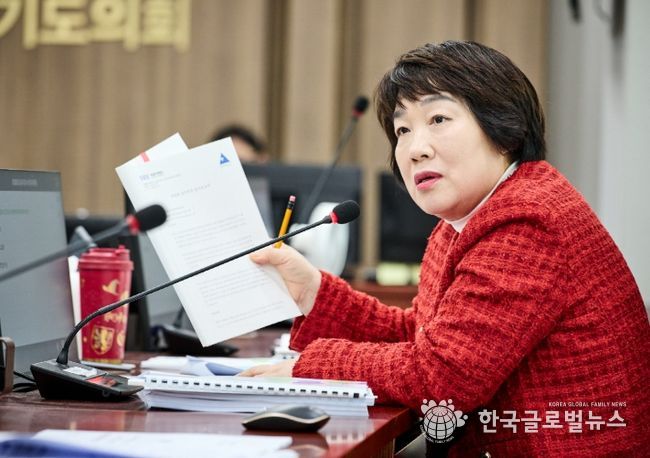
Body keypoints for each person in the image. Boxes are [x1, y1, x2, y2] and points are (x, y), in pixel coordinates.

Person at [239, 41, 650, 456]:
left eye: (438, 119)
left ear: (502, 129)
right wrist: (314, 292)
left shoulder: (526, 219)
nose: (416, 148)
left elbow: (444, 376)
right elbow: (425, 336)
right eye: (403, 130)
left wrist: (311, 367)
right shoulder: (464, 221)